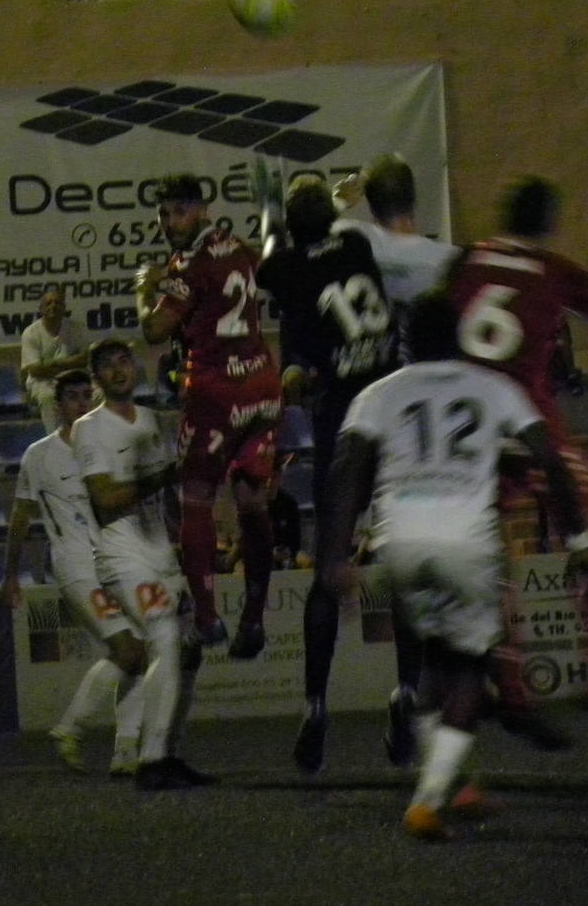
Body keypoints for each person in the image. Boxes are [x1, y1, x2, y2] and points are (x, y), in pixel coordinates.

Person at [317, 293, 588, 840]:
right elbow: (550, 460)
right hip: (466, 540)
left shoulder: (378, 394)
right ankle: (427, 801)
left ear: (404, 343)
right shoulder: (494, 387)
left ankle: (452, 786)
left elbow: (347, 470)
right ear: (459, 338)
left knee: (434, 660)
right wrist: (580, 539)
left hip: (400, 541)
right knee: (471, 668)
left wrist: (334, 554)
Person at [444, 175, 588, 720]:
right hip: (531, 426)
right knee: (586, 530)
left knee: (491, 554)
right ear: (547, 223)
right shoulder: (553, 269)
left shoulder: (465, 260)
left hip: (472, 432)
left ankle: (509, 683)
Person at [255, 173, 407, 773]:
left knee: (328, 569)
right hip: (394, 413)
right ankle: (408, 690)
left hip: (345, 422)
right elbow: (327, 231)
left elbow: (274, 256)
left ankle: (316, 702)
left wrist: (269, 209)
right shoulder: (357, 245)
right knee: (403, 565)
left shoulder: (287, 267)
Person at [135, 172, 282, 661]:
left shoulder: (189, 263)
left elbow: (155, 330)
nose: (168, 222)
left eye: (179, 211)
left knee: (195, 498)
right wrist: (273, 213)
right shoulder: (234, 245)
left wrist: (143, 289)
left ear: (201, 210)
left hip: (217, 391)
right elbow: (267, 259)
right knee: (252, 503)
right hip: (262, 385)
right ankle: (255, 618)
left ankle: (206, 619)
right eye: (162, 213)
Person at [72, 339, 214, 791]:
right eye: (107, 366)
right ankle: (149, 758)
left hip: (161, 553)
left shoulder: (152, 421)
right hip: (123, 556)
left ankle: (168, 751)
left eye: (124, 362)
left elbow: (171, 494)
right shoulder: (89, 428)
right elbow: (105, 498)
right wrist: (163, 476)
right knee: (164, 633)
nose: (118, 371)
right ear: (96, 378)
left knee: (189, 647)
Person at [1, 368, 145, 777]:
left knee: (142, 652)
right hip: (77, 568)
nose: (82, 404)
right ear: (59, 405)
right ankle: (70, 729)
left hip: (114, 562)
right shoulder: (40, 455)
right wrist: (10, 574)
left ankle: (125, 752)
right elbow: (21, 517)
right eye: (73, 397)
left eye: (87, 395)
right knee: (128, 649)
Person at [332, 154, 462, 361]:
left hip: (370, 366)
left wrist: (337, 201)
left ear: (368, 202)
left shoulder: (348, 237)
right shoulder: (448, 260)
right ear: (413, 199)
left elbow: (310, 230)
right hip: (424, 368)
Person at [20, 288, 89, 431]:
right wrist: (70, 362)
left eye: (58, 303)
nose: (53, 306)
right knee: (49, 396)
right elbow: (35, 370)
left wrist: (53, 365)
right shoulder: (30, 333)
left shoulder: (76, 328)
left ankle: (91, 437)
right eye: (49, 303)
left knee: (98, 392)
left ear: (64, 307)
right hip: (42, 382)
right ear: (41, 308)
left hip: (73, 379)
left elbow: (85, 360)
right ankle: (55, 438)